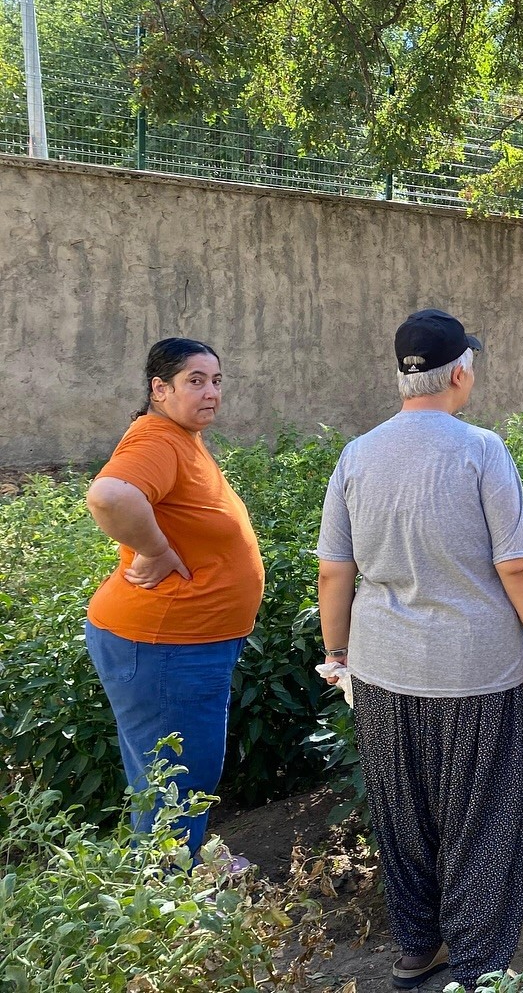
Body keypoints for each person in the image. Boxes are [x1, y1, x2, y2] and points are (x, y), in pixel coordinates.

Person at [315, 308, 523, 991]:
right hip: (477, 671)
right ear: (459, 373)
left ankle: (417, 949)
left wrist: (337, 655)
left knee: (404, 814)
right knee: (481, 818)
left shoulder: (358, 454)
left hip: (383, 670)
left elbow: (335, 571)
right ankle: (481, 969)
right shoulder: (480, 449)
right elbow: (517, 565)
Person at [84, 338, 264, 859]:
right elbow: (110, 495)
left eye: (216, 381)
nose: (211, 393)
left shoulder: (181, 436)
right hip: (164, 645)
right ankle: (168, 896)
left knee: (172, 770)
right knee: (177, 776)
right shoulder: (158, 439)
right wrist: (157, 551)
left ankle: (177, 868)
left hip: (181, 643)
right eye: (195, 381)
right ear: (159, 389)